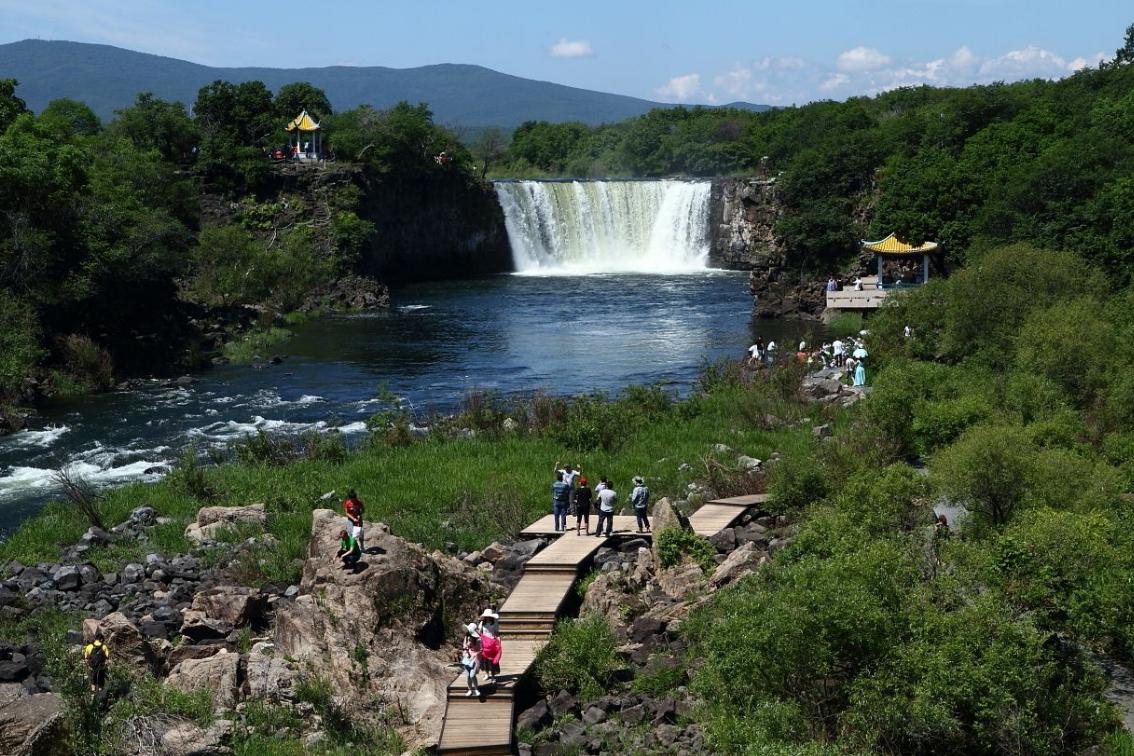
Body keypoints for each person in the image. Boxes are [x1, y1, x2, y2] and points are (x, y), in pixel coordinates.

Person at [478, 610, 502, 680]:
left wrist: (499, 643)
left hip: (492, 643)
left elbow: (497, 634)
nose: (488, 618)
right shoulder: (482, 623)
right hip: (484, 643)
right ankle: (486, 674)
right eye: (486, 616)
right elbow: (480, 633)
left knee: (492, 660)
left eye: (489, 616)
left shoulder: (494, 623)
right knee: (485, 660)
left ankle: (493, 676)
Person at [460, 623, 482, 697]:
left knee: (472, 675)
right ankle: (470, 689)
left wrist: (475, 654)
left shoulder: (478, 640)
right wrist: (466, 650)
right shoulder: (466, 638)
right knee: (468, 676)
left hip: (475, 659)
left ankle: (476, 689)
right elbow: (464, 647)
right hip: (467, 658)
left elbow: (481, 650)